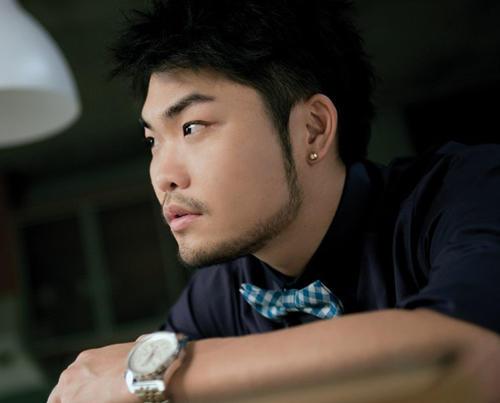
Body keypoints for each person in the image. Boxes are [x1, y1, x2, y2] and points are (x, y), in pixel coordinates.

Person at [48, 0, 500, 402]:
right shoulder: (218, 293)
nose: (163, 175)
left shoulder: (468, 189)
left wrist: (159, 371)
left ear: (312, 129)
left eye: (191, 127)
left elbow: (471, 357)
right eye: (153, 141)